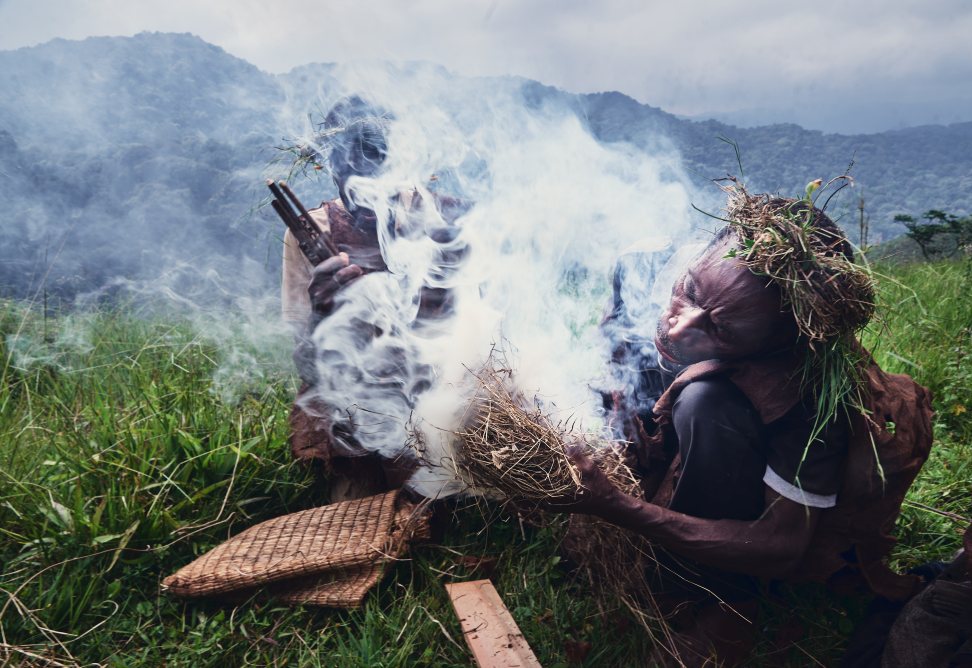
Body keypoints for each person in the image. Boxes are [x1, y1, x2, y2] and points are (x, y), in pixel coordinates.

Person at [559, 189, 934, 664]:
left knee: (705, 402)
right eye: (690, 293)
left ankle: (715, 594)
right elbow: (614, 347)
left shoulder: (809, 395)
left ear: (778, 346)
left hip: (741, 468)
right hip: (671, 429)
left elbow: (782, 545)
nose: (677, 329)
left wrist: (620, 509)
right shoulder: (646, 264)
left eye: (722, 331)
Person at [281, 96, 468, 502]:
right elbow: (308, 367)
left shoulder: (443, 219)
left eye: (379, 167)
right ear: (329, 166)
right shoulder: (311, 232)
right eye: (348, 169)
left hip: (442, 401)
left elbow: (486, 338)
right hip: (356, 410)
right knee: (357, 514)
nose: (364, 189)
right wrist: (322, 315)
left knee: (466, 502)